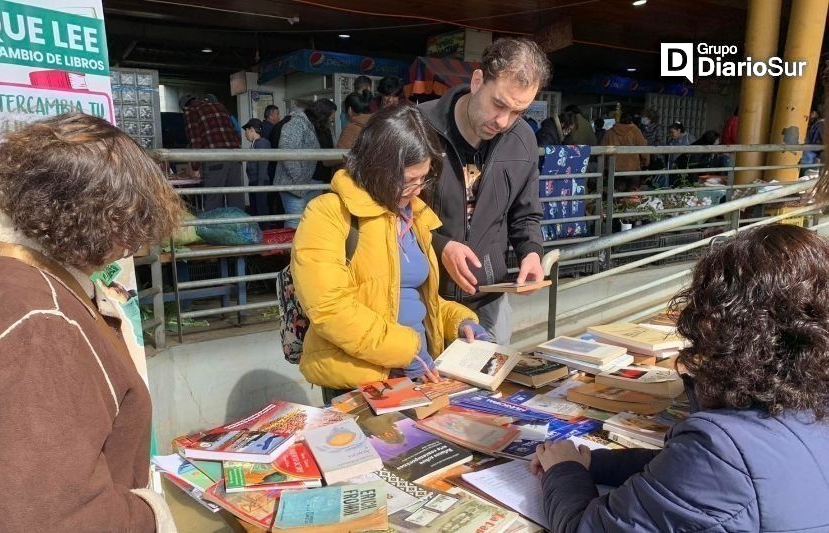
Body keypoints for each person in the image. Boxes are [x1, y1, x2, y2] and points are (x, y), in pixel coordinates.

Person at [0, 113, 182, 531]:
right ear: (85, 223)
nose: (129, 250)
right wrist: (154, 516)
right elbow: (57, 518)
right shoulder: (39, 323)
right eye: (127, 233)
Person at [531, 224, 829, 532]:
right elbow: (681, 472)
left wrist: (563, 470)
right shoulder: (808, 406)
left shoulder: (721, 450)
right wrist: (595, 464)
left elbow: (588, 529)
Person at [290, 105, 489, 402]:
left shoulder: (415, 216)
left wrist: (459, 321)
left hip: (419, 374)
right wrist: (406, 351)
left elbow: (419, 300)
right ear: (377, 167)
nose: (417, 190)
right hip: (361, 384)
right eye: (408, 180)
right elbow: (330, 309)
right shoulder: (329, 213)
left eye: (423, 179)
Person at [418, 37, 550, 345]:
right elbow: (390, 214)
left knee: (491, 391)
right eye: (499, 104)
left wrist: (531, 252)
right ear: (478, 81)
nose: (503, 121)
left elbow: (526, 212)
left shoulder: (522, 139)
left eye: (519, 111)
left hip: (489, 296)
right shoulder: (418, 127)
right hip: (424, 297)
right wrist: (439, 246)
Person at [274, 99, 337, 228]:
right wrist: (299, 178)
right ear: (322, 115)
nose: (332, 122)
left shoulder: (322, 127)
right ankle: (290, 248)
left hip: (314, 183)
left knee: (309, 222)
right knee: (295, 222)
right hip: (295, 185)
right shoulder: (297, 123)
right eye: (331, 118)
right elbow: (286, 149)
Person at [181, 93, 243, 211]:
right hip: (234, 156)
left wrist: (195, 167)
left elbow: (195, 140)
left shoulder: (190, 110)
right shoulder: (219, 106)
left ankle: (214, 228)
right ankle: (239, 228)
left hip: (215, 159)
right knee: (236, 198)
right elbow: (235, 133)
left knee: (214, 199)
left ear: (184, 106)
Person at [243, 117, 273, 221]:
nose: (245, 134)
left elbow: (263, 164)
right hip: (255, 182)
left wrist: (260, 185)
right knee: (255, 210)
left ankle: (264, 232)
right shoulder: (255, 144)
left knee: (261, 210)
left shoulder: (262, 143)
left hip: (260, 182)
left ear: (251, 129)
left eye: (246, 131)